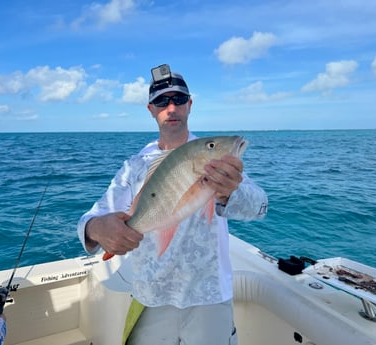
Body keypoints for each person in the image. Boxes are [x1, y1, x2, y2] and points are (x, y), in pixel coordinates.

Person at [77, 64, 268, 345]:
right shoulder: (134, 166)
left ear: (189, 105)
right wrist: (97, 228)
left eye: (178, 99)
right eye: (161, 101)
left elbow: (260, 206)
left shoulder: (213, 155)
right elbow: (91, 219)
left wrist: (229, 194)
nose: (171, 107)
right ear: (151, 109)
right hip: (150, 296)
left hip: (209, 295)